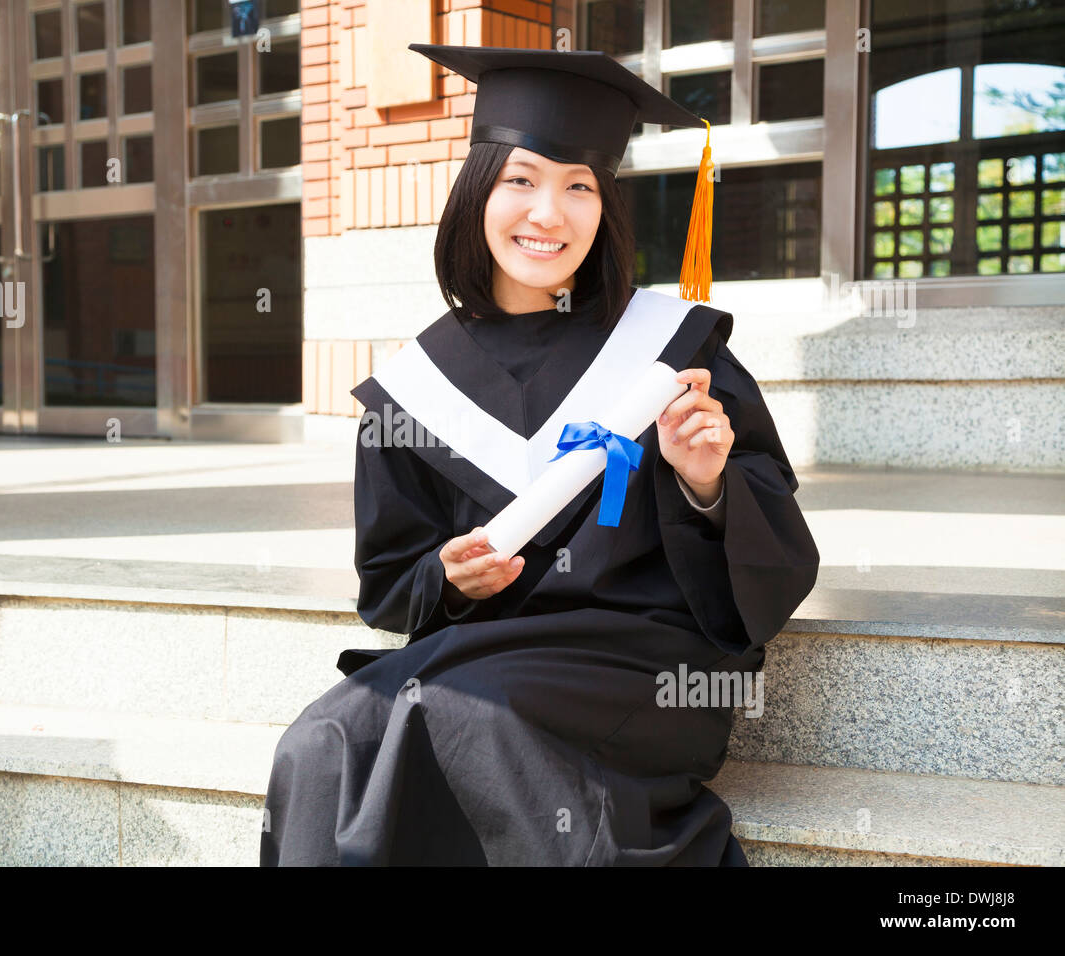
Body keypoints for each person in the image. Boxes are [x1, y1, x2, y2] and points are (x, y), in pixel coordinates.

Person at [260, 45, 819, 866]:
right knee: (321, 741)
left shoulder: (669, 350)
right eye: (521, 179)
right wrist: (445, 580)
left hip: (642, 659)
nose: (548, 214)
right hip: (486, 646)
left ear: (606, 208)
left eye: (579, 186)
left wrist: (709, 486)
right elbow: (389, 587)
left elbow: (779, 550)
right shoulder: (414, 390)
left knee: (471, 714)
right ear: (477, 190)